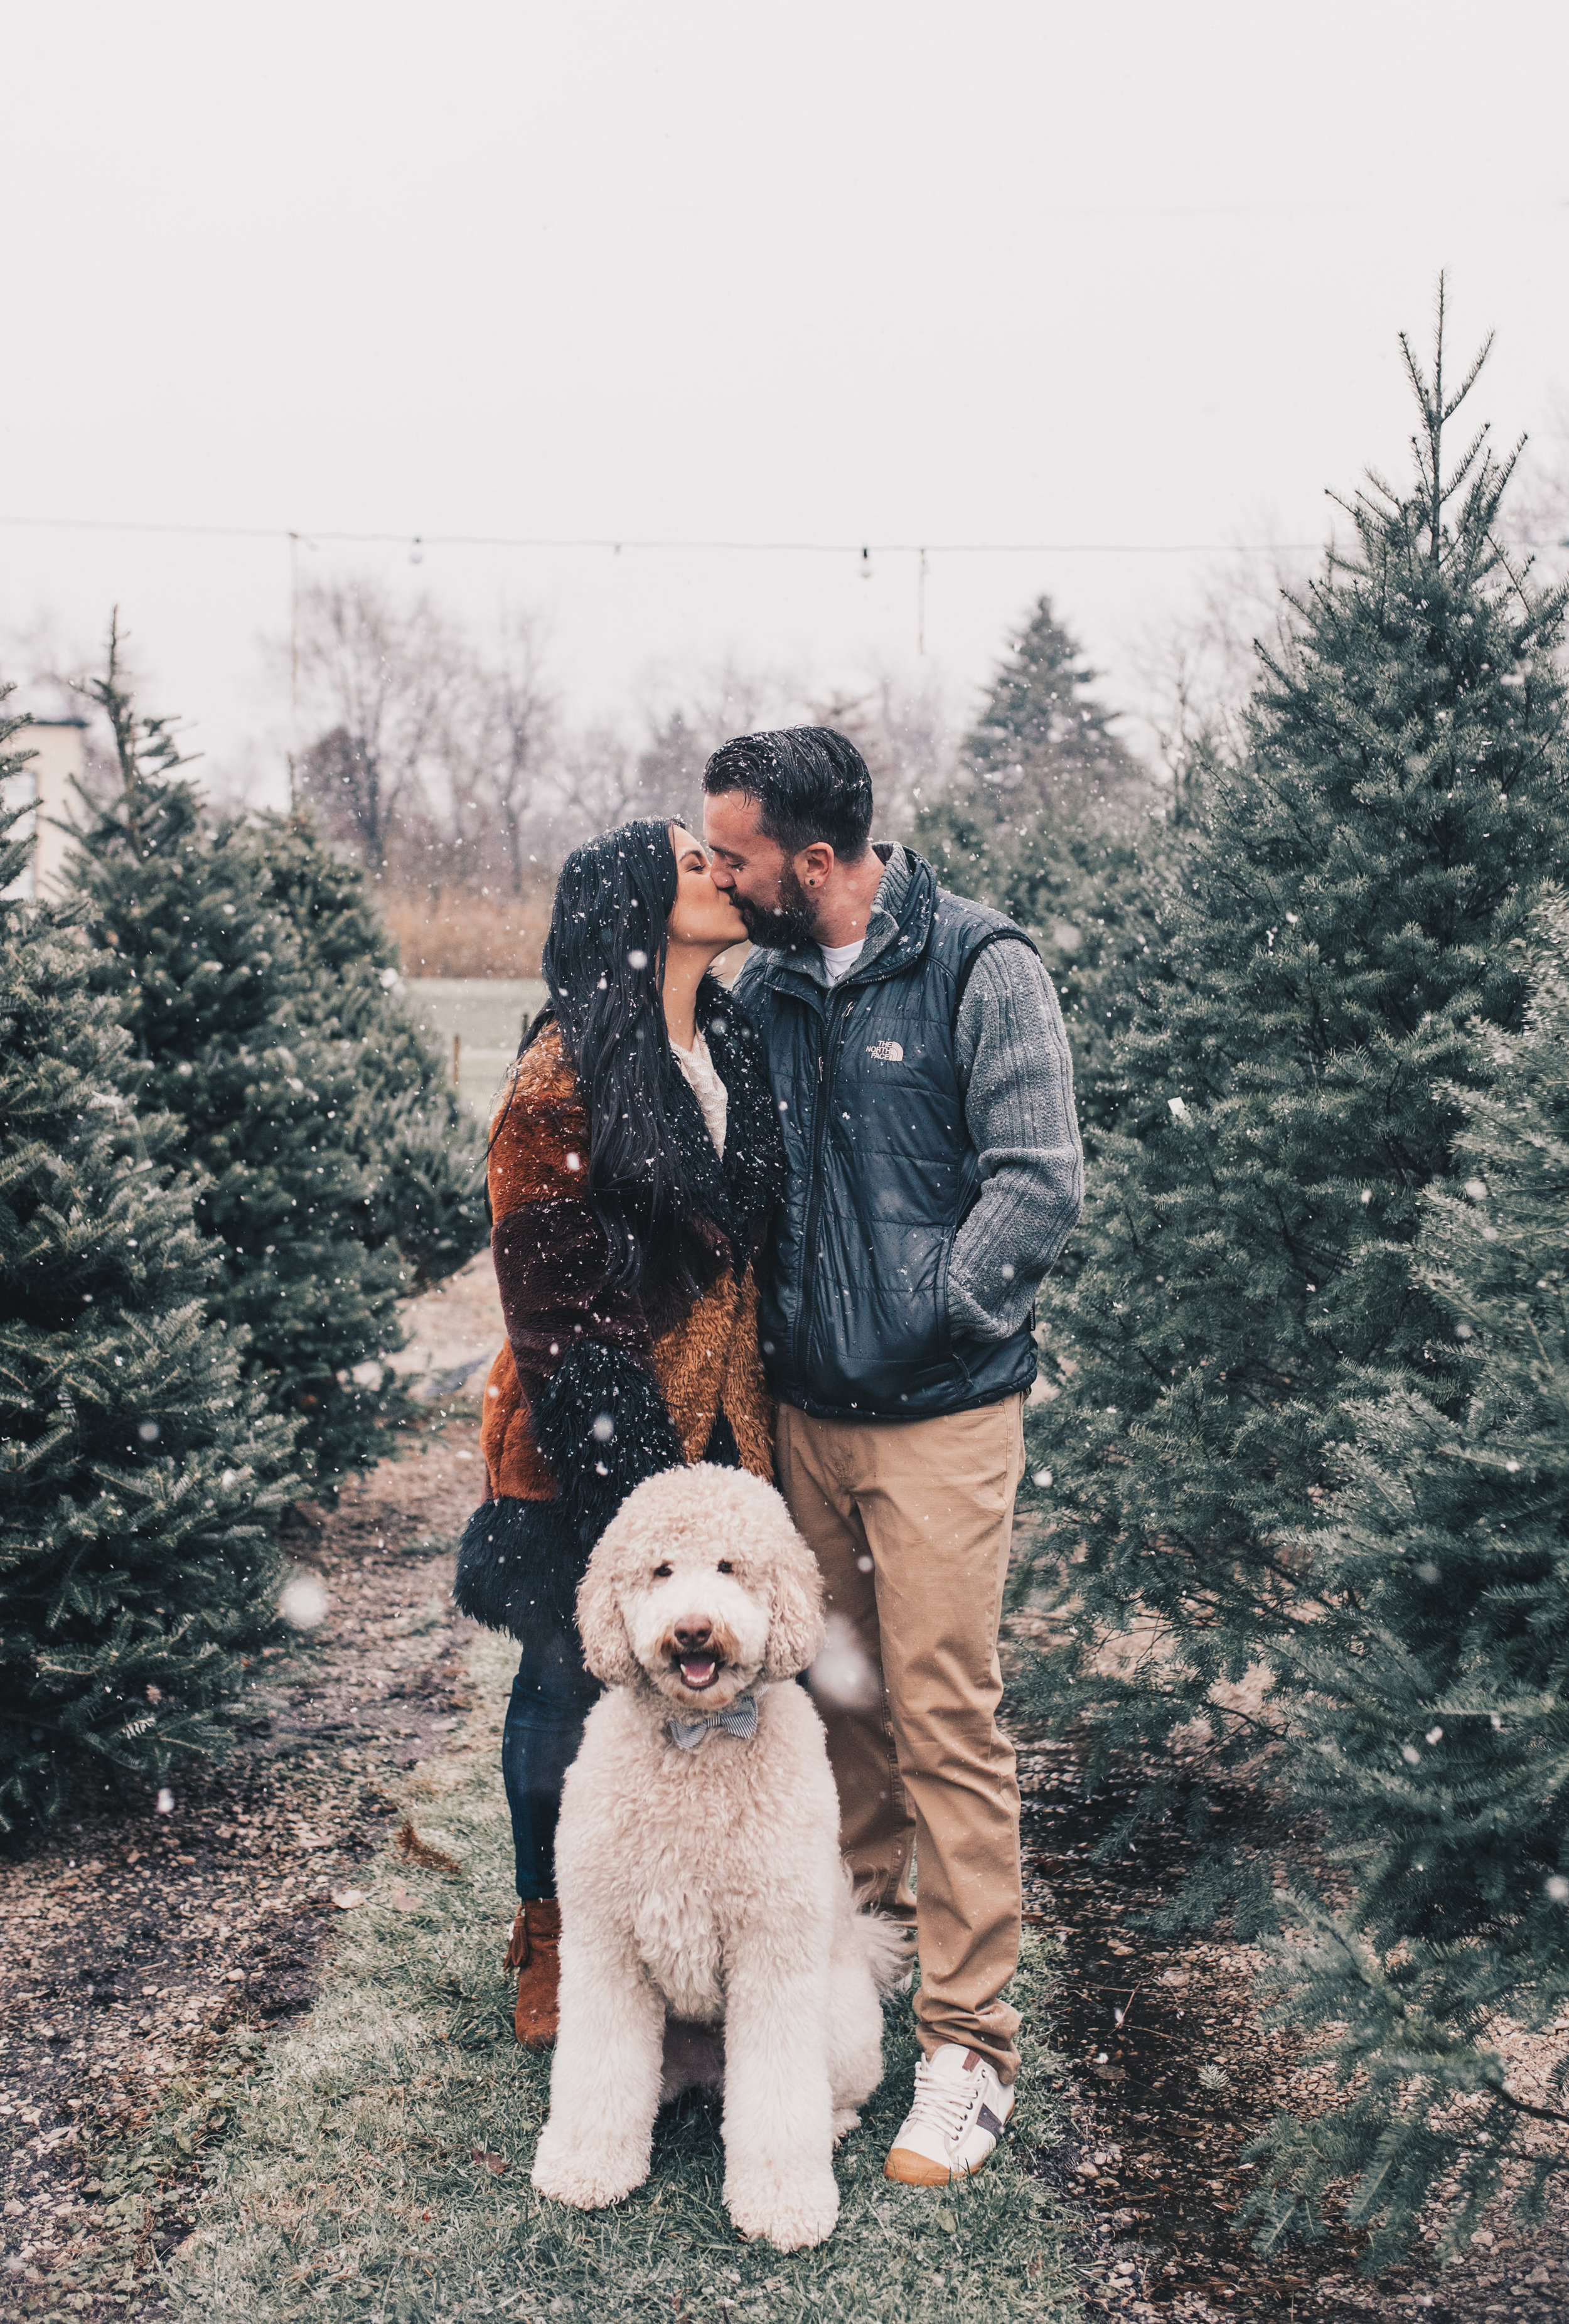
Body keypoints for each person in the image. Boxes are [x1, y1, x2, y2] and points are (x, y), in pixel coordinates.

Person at [703, 729, 1083, 2187]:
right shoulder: (769, 985)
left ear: (810, 862)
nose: (719, 874)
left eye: (735, 853)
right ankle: (839, 2001)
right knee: (836, 1714)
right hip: (806, 1423)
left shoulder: (981, 969)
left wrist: (924, 1316)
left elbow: (1037, 1180)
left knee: (942, 1718)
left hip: (938, 1423)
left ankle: (967, 2047)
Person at [454, 819, 786, 2047]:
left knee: (701, 1689)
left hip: (722, 1415)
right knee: (566, 1677)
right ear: (640, 905)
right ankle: (549, 1927)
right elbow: (546, 1288)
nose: (722, 872)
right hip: (579, 1427)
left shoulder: (730, 1044)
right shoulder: (564, 1068)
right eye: (694, 863)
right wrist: (629, 1474)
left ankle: (680, 1927)